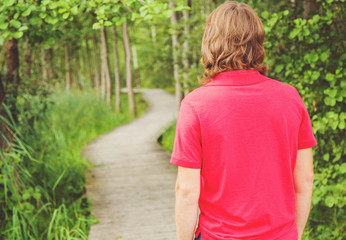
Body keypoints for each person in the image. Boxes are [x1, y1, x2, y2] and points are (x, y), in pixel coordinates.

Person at [170, 1, 317, 240]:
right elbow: (305, 179)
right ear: (258, 42)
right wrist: (294, 234)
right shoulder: (290, 98)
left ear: (210, 42)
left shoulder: (195, 105)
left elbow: (186, 191)